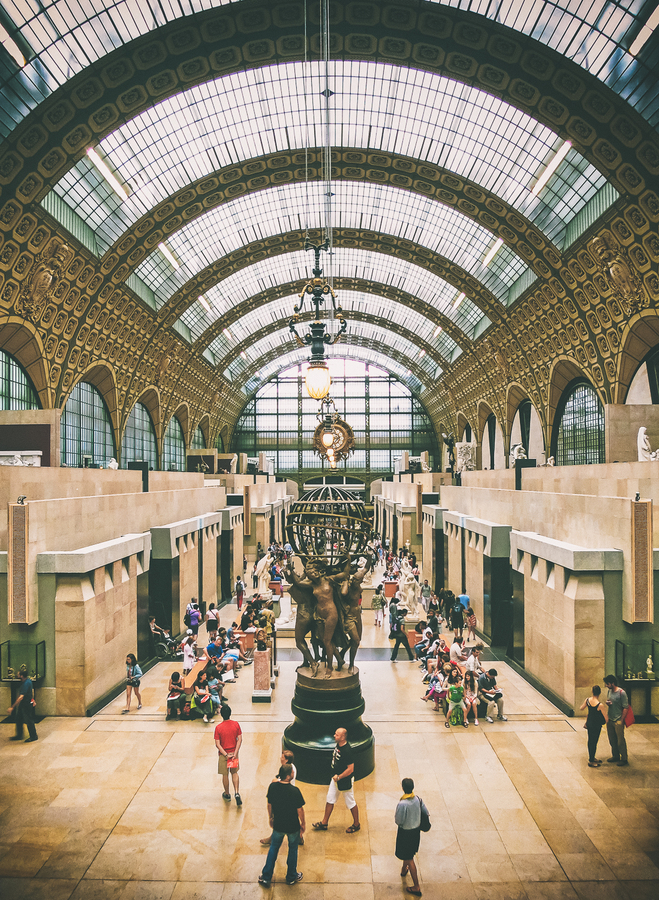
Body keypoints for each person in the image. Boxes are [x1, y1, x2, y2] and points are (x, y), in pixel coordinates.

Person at [258, 763, 305, 886]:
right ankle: (291, 876)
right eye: (292, 773)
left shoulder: (273, 787)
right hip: (292, 826)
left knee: (273, 848)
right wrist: (303, 823)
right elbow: (300, 810)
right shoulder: (295, 791)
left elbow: (269, 804)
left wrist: (271, 817)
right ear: (289, 776)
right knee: (293, 850)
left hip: (278, 824)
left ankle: (266, 876)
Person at [312, 727, 360, 833]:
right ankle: (324, 822)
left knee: (350, 802)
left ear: (343, 737)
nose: (334, 736)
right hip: (336, 779)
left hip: (343, 780)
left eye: (337, 735)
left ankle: (356, 824)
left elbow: (350, 769)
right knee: (330, 798)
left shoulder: (347, 750)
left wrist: (339, 777)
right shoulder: (339, 745)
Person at [395, 777, 428, 896]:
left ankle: (416, 886)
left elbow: (399, 820)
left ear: (403, 788)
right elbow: (425, 811)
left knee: (409, 858)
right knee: (409, 853)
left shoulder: (402, 804)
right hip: (415, 832)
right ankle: (404, 870)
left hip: (406, 833)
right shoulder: (418, 799)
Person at [261, 751, 302, 846]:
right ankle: (299, 837)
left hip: (286, 796)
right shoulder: (288, 768)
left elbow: (277, 781)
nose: (280, 758)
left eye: (282, 757)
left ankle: (273, 838)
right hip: (287, 794)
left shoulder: (289, 770)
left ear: (286, 759)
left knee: (279, 819)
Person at [215, 705, 243, 804]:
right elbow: (239, 740)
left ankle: (227, 794)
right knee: (234, 773)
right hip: (233, 754)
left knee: (225, 774)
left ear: (221, 714)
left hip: (224, 755)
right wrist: (235, 753)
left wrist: (226, 755)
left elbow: (218, 744)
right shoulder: (236, 724)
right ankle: (236, 792)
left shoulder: (218, 728)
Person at [604, 674, 629, 766]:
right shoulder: (609, 691)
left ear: (612, 683)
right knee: (612, 739)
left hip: (618, 719)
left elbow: (625, 707)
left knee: (620, 740)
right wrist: (608, 703)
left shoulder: (621, 693)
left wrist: (622, 719)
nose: (606, 685)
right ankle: (615, 755)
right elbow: (609, 700)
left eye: (608, 684)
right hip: (610, 718)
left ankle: (624, 758)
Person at [580, 685, 608, 767]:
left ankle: (592, 757)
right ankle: (591, 760)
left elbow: (581, 708)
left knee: (590, 740)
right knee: (594, 742)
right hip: (596, 725)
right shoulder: (600, 705)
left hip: (589, 723)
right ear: (599, 693)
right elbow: (606, 718)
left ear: (592, 692)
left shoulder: (588, 700)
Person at [8, 669, 38, 742]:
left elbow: (21, 697)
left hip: (26, 704)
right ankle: (19, 735)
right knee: (19, 718)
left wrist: (12, 707)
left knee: (28, 720)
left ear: (21, 676)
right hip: (26, 703)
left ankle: (33, 736)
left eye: (18, 674)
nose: (17, 675)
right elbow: (31, 691)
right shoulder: (28, 681)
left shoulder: (25, 684)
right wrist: (33, 700)